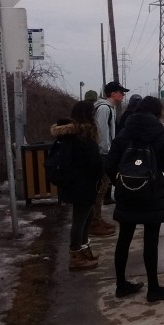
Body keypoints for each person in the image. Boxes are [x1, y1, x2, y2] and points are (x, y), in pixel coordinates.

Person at [105, 95, 164, 302]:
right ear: (157, 113)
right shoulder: (159, 133)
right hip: (152, 195)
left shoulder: (124, 132)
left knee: (124, 239)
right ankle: (153, 289)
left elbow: (109, 164)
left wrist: (121, 183)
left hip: (127, 194)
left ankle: (121, 285)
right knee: (151, 241)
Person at [50, 101, 103, 270]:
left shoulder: (69, 134)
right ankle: (75, 255)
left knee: (87, 215)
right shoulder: (83, 135)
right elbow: (93, 161)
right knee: (80, 220)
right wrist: (102, 170)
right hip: (83, 183)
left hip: (74, 182)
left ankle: (84, 249)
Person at [91, 81, 129, 235]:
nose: (123, 94)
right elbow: (101, 132)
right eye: (121, 92)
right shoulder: (104, 109)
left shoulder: (108, 108)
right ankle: (94, 223)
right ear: (113, 93)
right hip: (103, 155)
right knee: (100, 189)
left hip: (104, 153)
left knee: (102, 188)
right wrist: (107, 151)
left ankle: (97, 219)